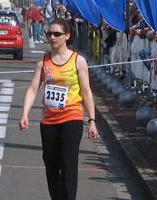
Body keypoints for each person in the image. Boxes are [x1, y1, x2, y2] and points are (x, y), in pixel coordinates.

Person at [19, 18, 98, 200]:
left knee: (68, 163)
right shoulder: (43, 62)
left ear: (67, 36)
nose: (52, 37)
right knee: (51, 164)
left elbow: (86, 91)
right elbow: (33, 89)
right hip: (49, 121)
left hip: (72, 117)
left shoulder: (78, 61)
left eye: (57, 34)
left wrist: (92, 120)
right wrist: (24, 113)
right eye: (49, 34)